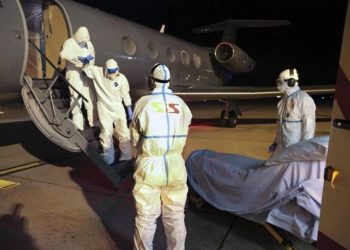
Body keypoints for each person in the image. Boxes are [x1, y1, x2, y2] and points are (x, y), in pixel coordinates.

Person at [130, 64, 192, 250]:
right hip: (175, 166)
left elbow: (134, 138)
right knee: (175, 215)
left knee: (147, 217)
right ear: (169, 81)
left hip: (150, 166)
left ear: (151, 80)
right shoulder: (181, 104)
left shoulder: (143, 103)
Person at [83, 58, 133, 164]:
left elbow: (125, 93)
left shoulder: (122, 78)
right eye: (110, 71)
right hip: (104, 108)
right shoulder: (98, 72)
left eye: (115, 70)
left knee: (123, 132)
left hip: (118, 107)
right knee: (106, 132)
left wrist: (128, 106)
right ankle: (109, 158)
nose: (113, 73)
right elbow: (87, 70)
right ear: (106, 70)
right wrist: (86, 62)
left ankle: (126, 156)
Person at [269, 68, 316, 156]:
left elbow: (309, 128)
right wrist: (275, 142)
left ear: (291, 82)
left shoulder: (304, 99)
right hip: (280, 150)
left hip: (295, 152)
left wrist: (304, 150)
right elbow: (279, 125)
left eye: (281, 82)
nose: (278, 85)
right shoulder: (282, 101)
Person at [60, 26, 98, 131]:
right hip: (74, 71)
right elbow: (63, 54)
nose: (84, 43)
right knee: (76, 96)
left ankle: (93, 121)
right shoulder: (69, 42)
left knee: (90, 97)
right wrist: (77, 58)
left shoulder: (89, 44)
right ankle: (77, 123)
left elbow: (93, 56)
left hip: (87, 71)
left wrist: (88, 63)